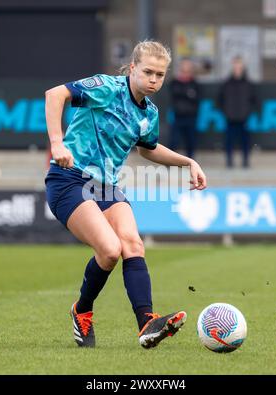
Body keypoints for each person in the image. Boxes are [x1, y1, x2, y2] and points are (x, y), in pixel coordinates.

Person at [44, 41, 207, 349]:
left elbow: (148, 149)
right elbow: (55, 94)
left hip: (106, 187)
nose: (154, 80)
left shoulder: (150, 113)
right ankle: (81, 311)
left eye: (160, 75)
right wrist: (57, 143)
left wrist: (188, 161)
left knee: (132, 243)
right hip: (68, 179)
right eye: (147, 72)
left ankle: (147, 322)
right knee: (109, 250)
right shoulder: (105, 87)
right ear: (132, 68)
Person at [218, 56, 256, 168]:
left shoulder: (248, 84)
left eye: (239, 66)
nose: (237, 68)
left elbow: (254, 101)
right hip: (230, 119)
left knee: (245, 141)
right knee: (229, 141)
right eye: (236, 66)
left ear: (243, 68)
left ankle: (245, 161)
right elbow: (220, 100)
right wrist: (226, 112)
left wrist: (248, 113)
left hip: (244, 119)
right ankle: (229, 161)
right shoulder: (226, 84)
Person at [168, 58, 200, 158]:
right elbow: (175, 94)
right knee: (174, 140)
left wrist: (185, 94)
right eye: (184, 65)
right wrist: (188, 94)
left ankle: (191, 162)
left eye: (188, 66)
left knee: (190, 141)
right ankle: (169, 160)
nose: (186, 68)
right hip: (178, 116)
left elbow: (196, 98)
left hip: (191, 116)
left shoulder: (195, 83)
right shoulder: (175, 82)